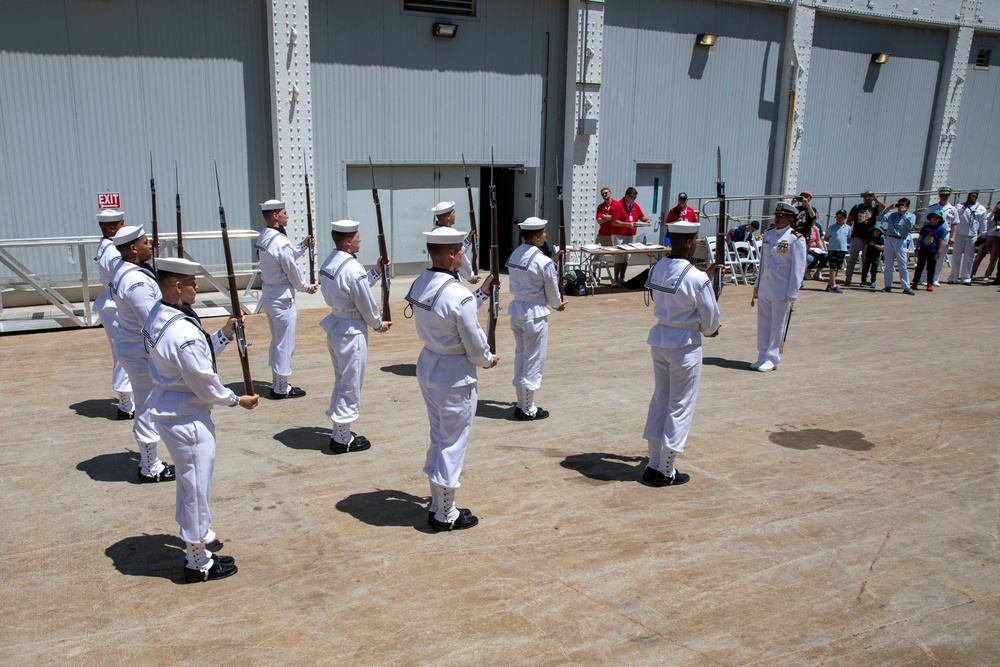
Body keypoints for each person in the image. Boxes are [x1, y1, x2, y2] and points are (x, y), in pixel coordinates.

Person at [143, 257, 258, 582]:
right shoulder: (183, 332)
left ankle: (197, 552)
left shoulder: (160, 314)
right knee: (195, 489)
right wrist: (237, 399)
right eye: (192, 282)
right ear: (178, 286)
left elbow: (191, 359)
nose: (197, 287)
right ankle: (198, 563)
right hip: (188, 416)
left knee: (188, 483)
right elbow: (204, 382)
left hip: (170, 404)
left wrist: (223, 334)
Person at [404, 227, 499, 532]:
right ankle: (445, 513)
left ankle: (438, 502)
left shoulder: (422, 281)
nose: (463, 254)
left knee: (440, 436)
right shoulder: (457, 295)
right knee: (453, 443)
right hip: (454, 375)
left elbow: (450, 311)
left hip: (430, 364)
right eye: (460, 250)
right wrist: (487, 361)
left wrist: (481, 294)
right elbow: (473, 339)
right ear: (449, 253)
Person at [641, 221, 721, 488]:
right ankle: (666, 469)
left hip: (661, 338)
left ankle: (653, 464)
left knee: (660, 400)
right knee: (680, 405)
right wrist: (710, 330)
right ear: (689, 242)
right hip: (684, 344)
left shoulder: (657, 267)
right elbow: (710, 317)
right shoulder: (696, 277)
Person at [318, 220, 392, 454]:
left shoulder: (331, 261)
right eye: (358, 236)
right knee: (350, 384)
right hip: (351, 332)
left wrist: (376, 272)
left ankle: (340, 431)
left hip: (337, 326)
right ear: (348, 241)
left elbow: (352, 289)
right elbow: (365, 303)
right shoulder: (351, 268)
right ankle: (342, 439)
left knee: (342, 380)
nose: (360, 239)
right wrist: (379, 324)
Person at [108, 226, 174, 483]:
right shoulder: (136, 282)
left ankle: (149, 461)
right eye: (146, 243)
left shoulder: (125, 269)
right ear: (133, 248)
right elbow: (152, 322)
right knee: (147, 404)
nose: (152, 246)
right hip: (141, 350)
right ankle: (150, 467)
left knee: (148, 401)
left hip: (132, 345)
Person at [255, 199, 318, 399]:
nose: (287, 215)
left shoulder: (264, 237)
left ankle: (278, 382)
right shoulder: (280, 241)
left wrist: (303, 245)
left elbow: (285, 257)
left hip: (270, 294)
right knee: (285, 344)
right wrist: (306, 287)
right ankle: (281, 388)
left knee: (278, 342)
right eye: (284, 212)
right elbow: (290, 269)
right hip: (282, 297)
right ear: (275, 215)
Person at [506, 217, 567, 421]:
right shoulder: (542, 261)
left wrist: (553, 263)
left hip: (517, 310)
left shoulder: (516, 254)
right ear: (538, 235)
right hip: (534, 312)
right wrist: (557, 304)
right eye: (543, 233)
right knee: (533, 360)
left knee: (521, 356)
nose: (545, 236)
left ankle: (521, 403)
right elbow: (551, 289)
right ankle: (527, 408)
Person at [752, 202, 806, 371]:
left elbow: (798, 267)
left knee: (778, 325)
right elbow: (762, 264)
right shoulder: (768, 235)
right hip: (766, 287)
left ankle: (773, 358)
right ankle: (762, 355)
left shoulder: (795, 238)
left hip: (782, 288)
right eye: (776, 216)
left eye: (781, 216)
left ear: (790, 219)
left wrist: (793, 292)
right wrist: (757, 285)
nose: (777, 219)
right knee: (763, 323)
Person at [93, 209, 134, 419]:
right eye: (121, 224)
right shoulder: (113, 252)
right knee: (124, 352)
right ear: (110, 228)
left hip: (111, 304)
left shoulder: (106, 246)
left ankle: (125, 401)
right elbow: (124, 274)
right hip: (115, 305)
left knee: (123, 351)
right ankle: (125, 405)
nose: (124, 226)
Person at [610, 187, 650, 287]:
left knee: (626, 257)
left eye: (635, 198)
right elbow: (614, 221)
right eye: (632, 197)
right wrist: (627, 224)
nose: (634, 200)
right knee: (619, 257)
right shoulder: (618, 205)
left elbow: (641, 216)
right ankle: (615, 279)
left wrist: (647, 220)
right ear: (627, 196)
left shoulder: (634, 205)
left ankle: (622, 278)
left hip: (630, 235)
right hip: (619, 235)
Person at [431, 201, 479, 284]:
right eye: (453, 213)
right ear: (448, 216)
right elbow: (461, 258)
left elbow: (455, 251)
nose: (455, 215)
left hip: (436, 275)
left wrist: (468, 241)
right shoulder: (452, 233)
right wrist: (471, 277)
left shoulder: (434, 232)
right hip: (451, 277)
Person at [844, 190, 885, 286]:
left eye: (869, 196)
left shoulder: (874, 208)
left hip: (869, 237)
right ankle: (848, 277)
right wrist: (847, 233)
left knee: (865, 259)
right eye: (865, 196)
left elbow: (883, 207)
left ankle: (864, 278)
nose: (866, 198)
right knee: (852, 258)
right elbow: (849, 220)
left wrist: (875, 198)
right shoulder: (857, 207)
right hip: (857, 236)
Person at [877, 197, 916, 294]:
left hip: (901, 240)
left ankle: (906, 287)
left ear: (907, 207)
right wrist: (888, 209)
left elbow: (910, 226)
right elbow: (879, 218)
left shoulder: (911, 216)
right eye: (899, 205)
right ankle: (888, 286)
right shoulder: (892, 215)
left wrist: (903, 214)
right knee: (888, 264)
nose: (900, 207)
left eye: (903, 205)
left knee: (902, 264)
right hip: (890, 238)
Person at [948, 190, 987, 285]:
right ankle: (953, 277)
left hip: (972, 235)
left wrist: (983, 235)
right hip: (959, 234)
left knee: (969, 257)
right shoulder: (959, 206)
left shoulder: (981, 208)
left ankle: (966, 277)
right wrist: (965, 206)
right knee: (956, 256)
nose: (972, 198)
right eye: (970, 196)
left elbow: (983, 222)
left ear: (977, 197)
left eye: (974, 196)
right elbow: (956, 218)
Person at [913, 209, 949, 292]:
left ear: (940, 219)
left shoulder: (941, 229)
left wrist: (939, 252)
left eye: (937, 217)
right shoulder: (925, 227)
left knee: (931, 268)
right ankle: (915, 283)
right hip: (923, 250)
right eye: (933, 217)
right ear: (930, 218)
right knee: (919, 267)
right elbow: (920, 239)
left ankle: (929, 284)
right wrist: (916, 249)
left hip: (933, 251)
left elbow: (941, 241)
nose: (935, 219)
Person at [928, 187, 958, 286]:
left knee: (940, 257)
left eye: (946, 195)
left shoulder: (953, 209)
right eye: (942, 195)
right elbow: (925, 222)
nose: (944, 197)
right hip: (932, 234)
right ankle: (924, 277)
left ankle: (935, 278)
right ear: (939, 195)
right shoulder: (932, 208)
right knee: (928, 256)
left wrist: (953, 237)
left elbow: (954, 224)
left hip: (945, 234)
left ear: (949, 196)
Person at [971, 202, 1000, 282]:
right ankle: (971, 273)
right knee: (979, 256)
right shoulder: (992, 214)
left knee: (993, 258)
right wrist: (994, 211)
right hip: (989, 236)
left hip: (998, 238)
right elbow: (986, 221)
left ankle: (987, 274)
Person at [823, 210, 850, 293]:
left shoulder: (848, 228)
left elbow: (848, 237)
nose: (839, 219)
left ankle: (831, 283)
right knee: (833, 267)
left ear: (845, 218)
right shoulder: (832, 227)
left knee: (838, 267)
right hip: (833, 249)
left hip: (842, 249)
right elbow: (826, 237)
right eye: (837, 217)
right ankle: (834, 285)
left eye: (841, 217)